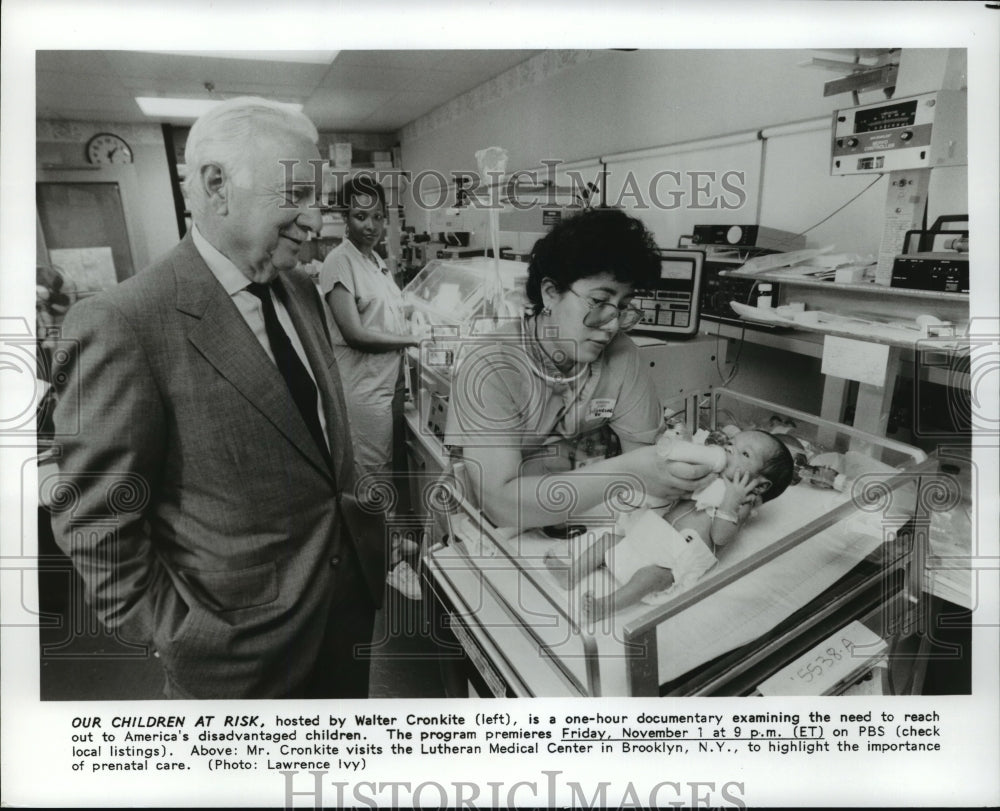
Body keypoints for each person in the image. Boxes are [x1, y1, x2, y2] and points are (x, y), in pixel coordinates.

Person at [50, 97, 384, 699]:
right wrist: (176, 633)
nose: (316, 220)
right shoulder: (123, 322)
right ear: (216, 185)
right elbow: (93, 519)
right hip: (235, 662)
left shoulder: (301, 292)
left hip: (344, 615)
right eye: (298, 194)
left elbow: (315, 446)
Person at [443, 207, 713, 532]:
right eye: (599, 302)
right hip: (502, 535)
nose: (612, 324)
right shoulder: (492, 366)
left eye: (624, 306)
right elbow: (503, 506)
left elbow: (647, 478)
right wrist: (630, 470)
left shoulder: (621, 356)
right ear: (551, 293)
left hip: (587, 524)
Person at [545, 430, 795, 620]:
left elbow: (720, 537)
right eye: (732, 444)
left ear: (761, 485)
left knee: (651, 576)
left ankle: (605, 606)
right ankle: (572, 574)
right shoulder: (711, 475)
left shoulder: (741, 501)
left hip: (673, 560)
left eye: (745, 454)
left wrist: (730, 504)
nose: (730, 450)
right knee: (609, 540)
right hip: (649, 537)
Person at [319, 176, 421, 599]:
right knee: (371, 474)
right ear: (344, 217)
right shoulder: (338, 262)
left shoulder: (375, 261)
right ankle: (388, 563)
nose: (372, 225)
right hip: (359, 390)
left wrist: (415, 318)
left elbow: (391, 313)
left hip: (385, 386)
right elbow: (355, 332)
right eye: (360, 216)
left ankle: (392, 538)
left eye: (378, 216)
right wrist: (413, 340)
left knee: (383, 470)